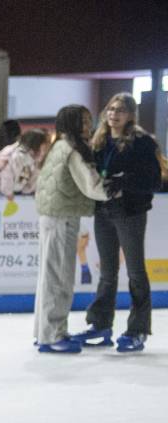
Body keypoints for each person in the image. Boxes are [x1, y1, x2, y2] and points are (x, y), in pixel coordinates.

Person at [71, 92, 161, 353]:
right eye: (111, 109)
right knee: (108, 272)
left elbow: (153, 180)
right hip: (104, 212)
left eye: (120, 110)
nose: (114, 114)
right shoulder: (99, 141)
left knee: (135, 271)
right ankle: (100, 324)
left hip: (130, 212)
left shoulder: (142, 142)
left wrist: (125, 181)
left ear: (131, 114)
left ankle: (138, 329)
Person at [32, 105, 111, 354]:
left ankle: (44, 332)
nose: (89, 127)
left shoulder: (58, 145)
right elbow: (92, 186)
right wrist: (117, 188)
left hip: (53, 216)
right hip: (62, 218)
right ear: (74, 124)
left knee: (49, 277)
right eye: (85, 122)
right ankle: (53, 335)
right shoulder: (72, 151)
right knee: (59, 278)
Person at [0, 129, 49, 200]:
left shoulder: (32, 158)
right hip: (1, 191)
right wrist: (8, 193)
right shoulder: (18, 156)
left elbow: (31, 177)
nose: (45, 147)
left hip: (14, 190)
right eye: (43, 144)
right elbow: (7, 173)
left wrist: (31, 190)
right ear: (36, 143)